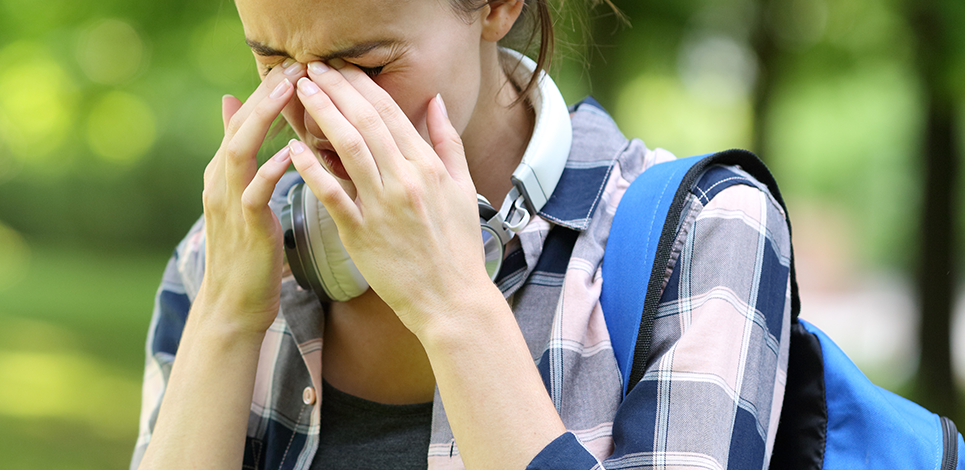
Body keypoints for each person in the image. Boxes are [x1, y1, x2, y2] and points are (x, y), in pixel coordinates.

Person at [131, 0, 794, 468]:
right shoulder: (228, 251)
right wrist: (226, 316)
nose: (313, 116)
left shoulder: (706, 232)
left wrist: (453, 307)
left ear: (499, 5)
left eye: (364, 67)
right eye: (273, 63)